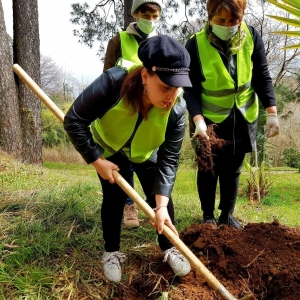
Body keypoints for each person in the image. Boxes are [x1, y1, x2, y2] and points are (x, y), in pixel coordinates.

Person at [64, 35, 192, 282]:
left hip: (145, 151)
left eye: (177, 88)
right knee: (113, 198)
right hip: (108, 149)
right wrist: (97, 160)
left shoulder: (176, 109)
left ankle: (169, 247)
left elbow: (169, 160)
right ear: (145, 76)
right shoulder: (113, 83)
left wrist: (161, 205)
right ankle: (111, 251)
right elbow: (74, 120)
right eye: (165, 86)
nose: (171, 95)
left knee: (161, 198)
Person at [184, 0, 280, 229]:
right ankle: (208, 216)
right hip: (208, 119)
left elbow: (262, 75)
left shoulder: (252, 37)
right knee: (208, 167)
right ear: (210, 17)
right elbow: (190, 88)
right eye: (221, 20)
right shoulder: (195, 44)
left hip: (243, 115)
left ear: (241, 17)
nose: (228, 25)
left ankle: (227, 215)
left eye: (233, 20)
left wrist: (272, 111)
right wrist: (197, 120)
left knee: (233, 168)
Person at [103, 0, 163, 228]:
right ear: (136, 14)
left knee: (150, 162)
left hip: (150, 114)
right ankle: (129, 206)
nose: (150, 20)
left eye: (155, 15)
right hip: (124, 112)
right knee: (125, 164)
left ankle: (154, 207)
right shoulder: (118, 41)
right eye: (146, 14)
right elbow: (107, 78)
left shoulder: (159, 43)